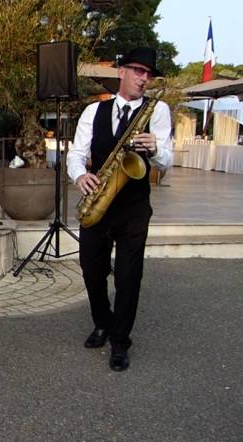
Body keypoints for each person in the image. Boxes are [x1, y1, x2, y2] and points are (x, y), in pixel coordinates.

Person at [67, 47, 173, 372]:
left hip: (133, 208)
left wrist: (156, 149)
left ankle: (120, 341)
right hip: (99, 202)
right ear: (122, 72)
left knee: (129, 277)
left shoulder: (157, 110)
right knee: (91, 269)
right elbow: (75, 154)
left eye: (148, 74)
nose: (144, 78)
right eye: (138, 71)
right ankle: (102, 322)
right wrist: (80, 175)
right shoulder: (93, 111)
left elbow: (167, 161)